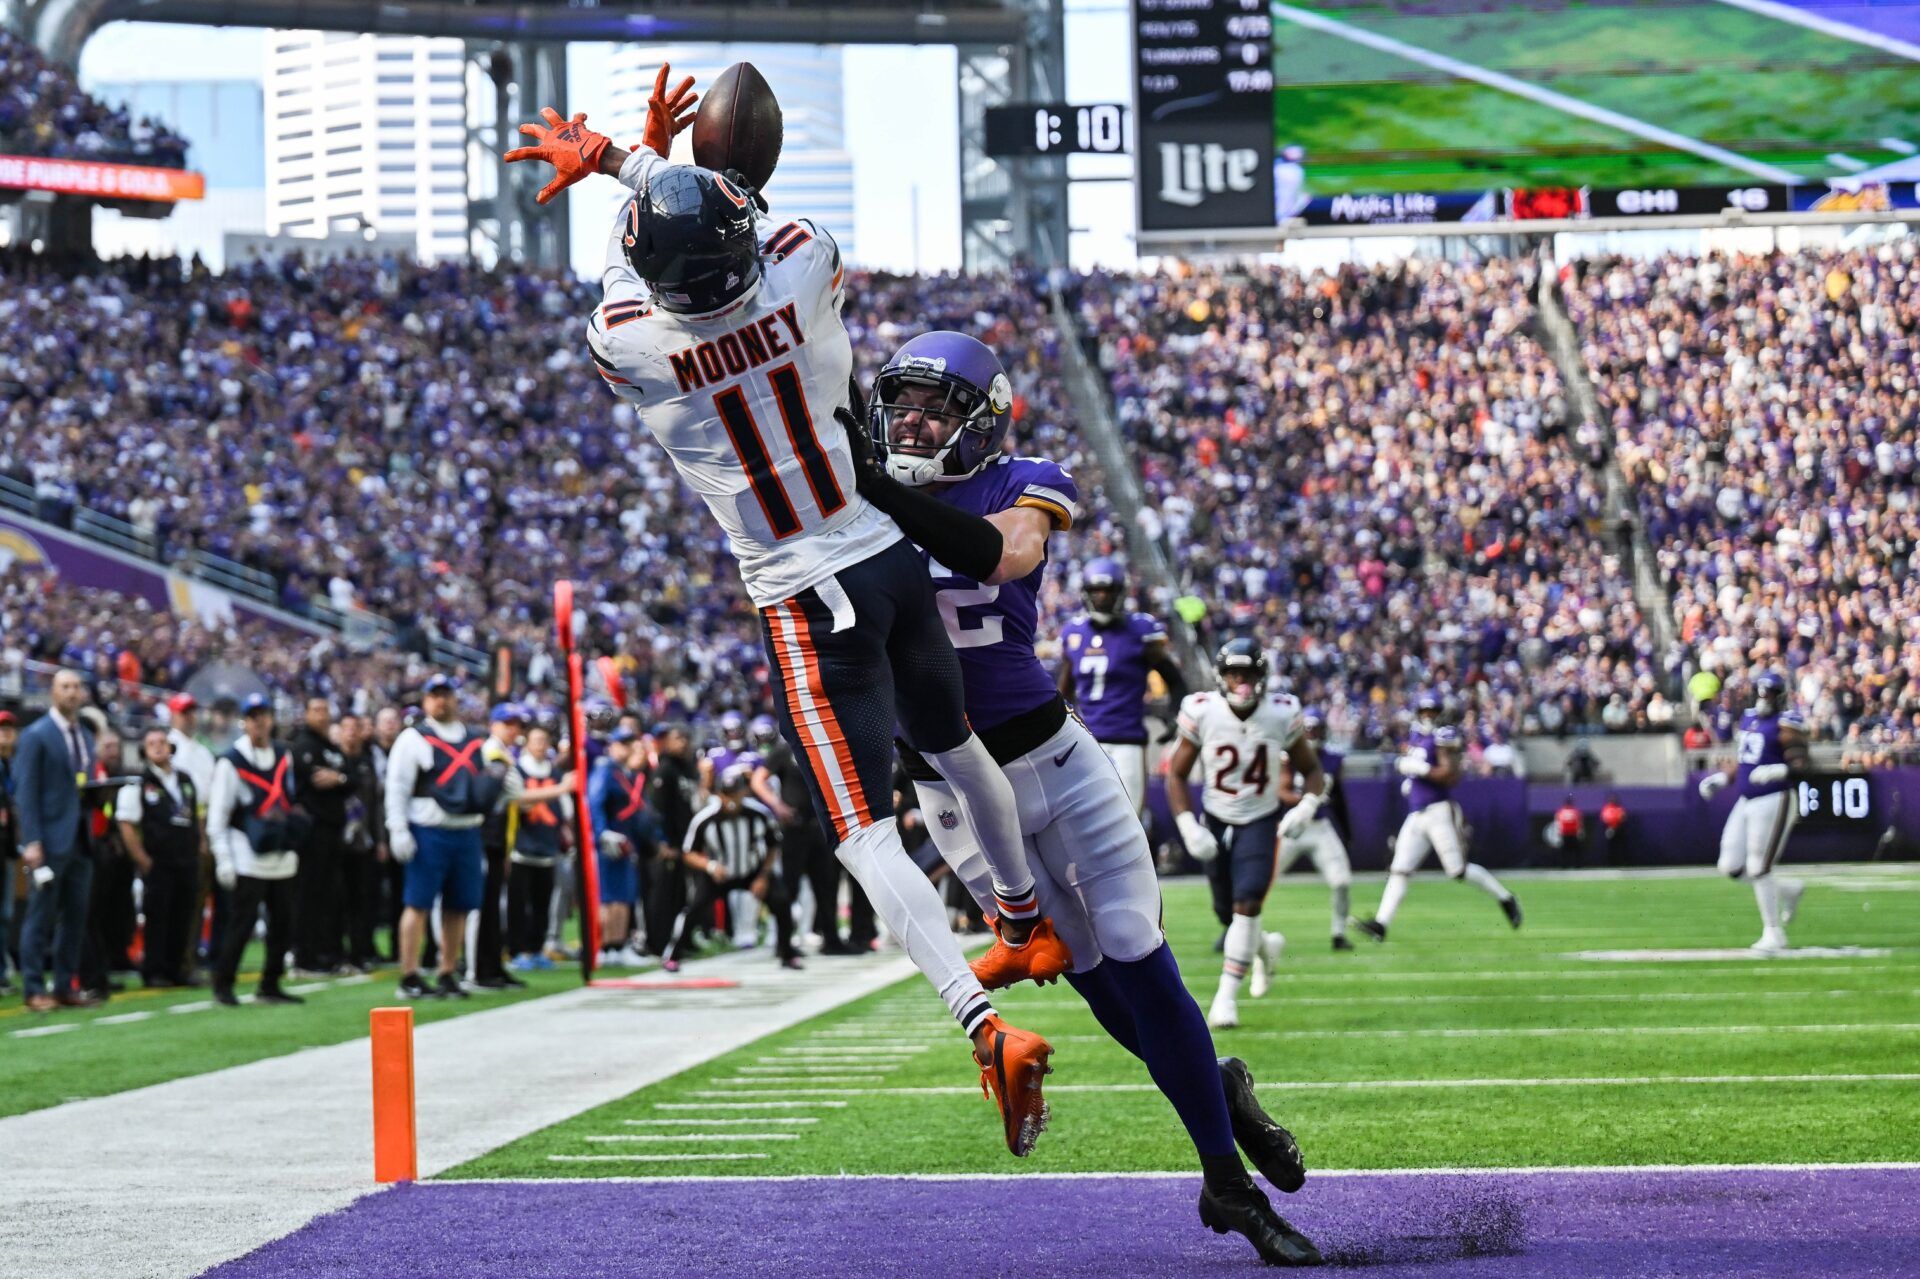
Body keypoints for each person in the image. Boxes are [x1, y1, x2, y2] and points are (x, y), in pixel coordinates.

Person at [507, 71, 1056, 1153]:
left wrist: (634, 170)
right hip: (887, 551)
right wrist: (643, 158)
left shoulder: (633, 347)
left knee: (858, 829)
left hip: (803, 590)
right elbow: (739, 202)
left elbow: (642, 262)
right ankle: (1024, 915)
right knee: (953, 747)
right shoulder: (805, 261)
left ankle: (985, 1024)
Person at [863, 335, 1318, 1267]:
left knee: (1138, 951)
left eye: (935, 407)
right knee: (1092, 976)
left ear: (984, 420)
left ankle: (1223, 1179)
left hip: (1056, 759)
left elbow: (1005, 557)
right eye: (901, 403)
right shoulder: (846, 500)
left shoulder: (1022, 481)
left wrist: (879, 493)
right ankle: (1218, 1087)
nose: (912, 421)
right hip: (951, 790)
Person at [1166, 640, 1321, 1032]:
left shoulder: (1281, 712)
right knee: (1226, 913)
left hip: (1260, 818)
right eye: (1235, 673)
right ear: (1221, 676)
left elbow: (1313, 771)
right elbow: (1177, 774)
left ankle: (1226, 997)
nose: (1242, 682)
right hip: (1216, 816)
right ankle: (1265, 946)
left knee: (1247, 902)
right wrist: (1187, 823)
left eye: (1249, 674)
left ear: (1262, 677)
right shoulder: (1202, 710)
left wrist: (1306, 806)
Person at [1357, 693, 1523, 943]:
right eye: (1424, 711)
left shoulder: (1443, 736)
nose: (1428, 716)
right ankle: (1381, 924)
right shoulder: (1416, 737)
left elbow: (1451, 776)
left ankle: (1505, 898)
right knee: (1399, 870)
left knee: (1457, 871)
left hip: (1438, 811)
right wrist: (1411, 781)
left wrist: (1420, 770)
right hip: (1416, 813)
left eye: (1432, 711)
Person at [385, 674, 504, 1000]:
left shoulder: (479, 739)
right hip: (428, 830)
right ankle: (409, 974)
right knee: (417, 903)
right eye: (435, 695)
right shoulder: (413, 739)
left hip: (466, 830)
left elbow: (501, 777)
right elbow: (397, 786)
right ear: (425, 701)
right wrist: (397, 828)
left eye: (446, 695)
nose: (441, 701)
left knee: (460, 906)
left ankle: (447, 970)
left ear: (455, 699)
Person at [1057, 558, 1187, 818]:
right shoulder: (1074, 632)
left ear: (1121, 592)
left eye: (1108, 590)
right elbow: (1065, 691)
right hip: (1086, 741)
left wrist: (1175, 715)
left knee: (1128, 819)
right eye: (1096, 591)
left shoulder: (1141, 630)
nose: (1102, 597)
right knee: (1084, 820)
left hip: (1127, 738)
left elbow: (1174, 679)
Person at [206, 694, 304, 1007]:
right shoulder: (230, 762)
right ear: (244, 723)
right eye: (253, 717)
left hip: (281, 852)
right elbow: (218, 816)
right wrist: (223, 858)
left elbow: (290, 797)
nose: (259, 722)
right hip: (247, 855)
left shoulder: (283, 756)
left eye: (264, 715)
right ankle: (224, 983)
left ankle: (271, 983)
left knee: (284, 923)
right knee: (241, 924)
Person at [1699, 672, 1809, 952]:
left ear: (1779, 696)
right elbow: (1745, 758)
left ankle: (1774, 933)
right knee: (1730, 866)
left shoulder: (1787, 723)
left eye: (1769, 693)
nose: (1764, 698)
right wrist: (1724, 778)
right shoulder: (1748, 718)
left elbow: (1803, 762)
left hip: (1775, 797)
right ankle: (1787, 890)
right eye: (1761, 692)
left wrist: (1779, 769)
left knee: (1759, 866)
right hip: (1746, 798)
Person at [16, 670, 100, 1011]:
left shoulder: (85, 737)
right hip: (49, 840)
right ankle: (34, 987)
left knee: (75, 916)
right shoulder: (37, 735)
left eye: (76, 687)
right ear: (52, 692)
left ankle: (65, 984)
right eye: (65, 687)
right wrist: (32, 839)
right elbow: (26, 792)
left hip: (80, 838)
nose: (71, 692)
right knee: (41, 916)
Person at [672, 764, 797, 969]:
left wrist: (763, 876)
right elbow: (688, 853)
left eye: (735, 795)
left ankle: (787, 953)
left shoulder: (758, 813)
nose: (730, 801)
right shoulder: (705, 818)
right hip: (719, 873)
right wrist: (710, 866)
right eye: (726, 795)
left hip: (752, 871)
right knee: (694, 908)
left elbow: (773, 846)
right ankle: (674, 955)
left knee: (781, 900)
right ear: (719, 795)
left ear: (744, 792)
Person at [115, 726, 203, 987]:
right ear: (144, 750)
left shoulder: (185, 779)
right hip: (159, 860)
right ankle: (154, 970)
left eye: (163, 742)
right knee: (158, 916)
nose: (158, 746)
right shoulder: (139, 782)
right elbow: (127, 823)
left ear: (171, 748)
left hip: (186, 858)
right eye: (152, 743)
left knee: (183, 915)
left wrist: (201, 844)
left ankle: (177, 969)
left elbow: (195, 815)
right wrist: (143, 859)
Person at [1275, 711, 1354, 951]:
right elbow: (1282, 790)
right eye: (1308, 729)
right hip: (1293, 825)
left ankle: (1338, 935)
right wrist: (1308, 799)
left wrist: (1347, 831)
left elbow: (1338, 798)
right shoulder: (1288, 756)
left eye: (1316, 729)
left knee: (1341, 881)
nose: (1312, 735)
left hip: (1320, 827)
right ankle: (1236, 931)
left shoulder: (1332, 759)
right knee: (1260, 882)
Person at [289, 696, 351, 976]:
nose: (322, 715)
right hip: (312, 829)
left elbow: (351, 778)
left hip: (334, 829)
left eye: (325, 710)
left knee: (332, 894)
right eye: (315, 710)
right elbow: (314, 778)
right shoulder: (303, 745)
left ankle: (327, 953)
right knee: (309, 893)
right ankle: (305, 955)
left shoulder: (331, 747)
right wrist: (340, 778)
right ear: (306, 714)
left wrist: (339, 778)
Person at [474, 703, 530, 989]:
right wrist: (564, 788)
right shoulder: (491, 754)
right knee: (484, 906)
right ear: (493, 724)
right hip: (488, 839)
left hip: (499, 841)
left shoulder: (503, 755)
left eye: (517, 724)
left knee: (494, 906)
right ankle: (480, 968)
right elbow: (520, 796)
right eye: (507, 723)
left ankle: (493, 964)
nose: (514, 730)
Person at [588, 726, 654, 966]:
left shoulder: (623, 771)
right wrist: (602, 832)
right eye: (623, 743)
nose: (627, 748)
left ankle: (618, 944)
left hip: (625, 840)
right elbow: (595, 802)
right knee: (611, 896)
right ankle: (607, 946)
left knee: (624, 895)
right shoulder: (606, 770)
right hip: (610, 840)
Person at [164, 693, 218, 981]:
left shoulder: (201, 751)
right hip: (187, 831)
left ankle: (193, 956)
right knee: (187, 901)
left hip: (208, 825)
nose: (189, 716)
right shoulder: (172, 748)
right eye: (184, 712)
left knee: (200, 900)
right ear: (173, 715)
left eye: (192, 711)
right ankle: (182, 961)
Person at [507, 724, 569, 972]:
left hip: (547, 846)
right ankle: (517, 949)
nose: (541, 745)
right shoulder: (518, 770)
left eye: (545, 740)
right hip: (522, 847)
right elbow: (519, 800)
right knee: (519, 903)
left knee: (543, 903)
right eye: (536, 740)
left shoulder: (553, 772)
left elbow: (563, 810)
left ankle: (536, 947)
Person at [641, 721, 699, 958]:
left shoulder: (688, 768)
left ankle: (679, 941)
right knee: (662, 896)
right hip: (668, 843)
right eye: (678, 738)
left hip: (684, 840)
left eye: (686, 738)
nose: (683, 743)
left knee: (680, 895)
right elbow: (656, 809)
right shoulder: (664, 769)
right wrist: (662, 841)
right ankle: (657, 943)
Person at [334, 712, 382, 971]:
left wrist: (381, 839)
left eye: (356, 727)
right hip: (337, 841)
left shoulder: (367, 762)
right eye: (347, 727)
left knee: (362, 900)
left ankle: (360, 951)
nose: (352, 732)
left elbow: (375, 804)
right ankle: (337, 952)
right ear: (339, 731)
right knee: (337, 900)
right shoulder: (333, 760)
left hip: (363, 841)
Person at [0, 709, 17, 996]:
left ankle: (2, 972)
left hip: (5, 847)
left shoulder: (10, 765)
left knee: (5, 913)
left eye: (10, 729)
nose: (6, 734)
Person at [1553, 793, 1586, 869]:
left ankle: (1564, 865)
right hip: (1573, 834)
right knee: (1576, 851)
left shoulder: (1561, 811)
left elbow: (1558, 823)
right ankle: (1577, 865)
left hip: (1565, 834)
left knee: (1565, 851)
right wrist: (1580, 832)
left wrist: (1558, 833)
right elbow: (1579, 823)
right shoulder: (1575, 811)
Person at [1600, 792, 1629, 866]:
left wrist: (1616, 823)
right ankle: (1612, 863)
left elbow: (1623, 817)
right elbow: (1605, 818)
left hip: (1619, 829)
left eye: (1613, 799)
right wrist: (1611, 827)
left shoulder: (1619, 808)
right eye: (1611, 799)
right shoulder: (1607, 808)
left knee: (1621, 847)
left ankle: (1622, 862)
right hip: (1610, 830)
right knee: (1611, 847)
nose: (1612, 801)